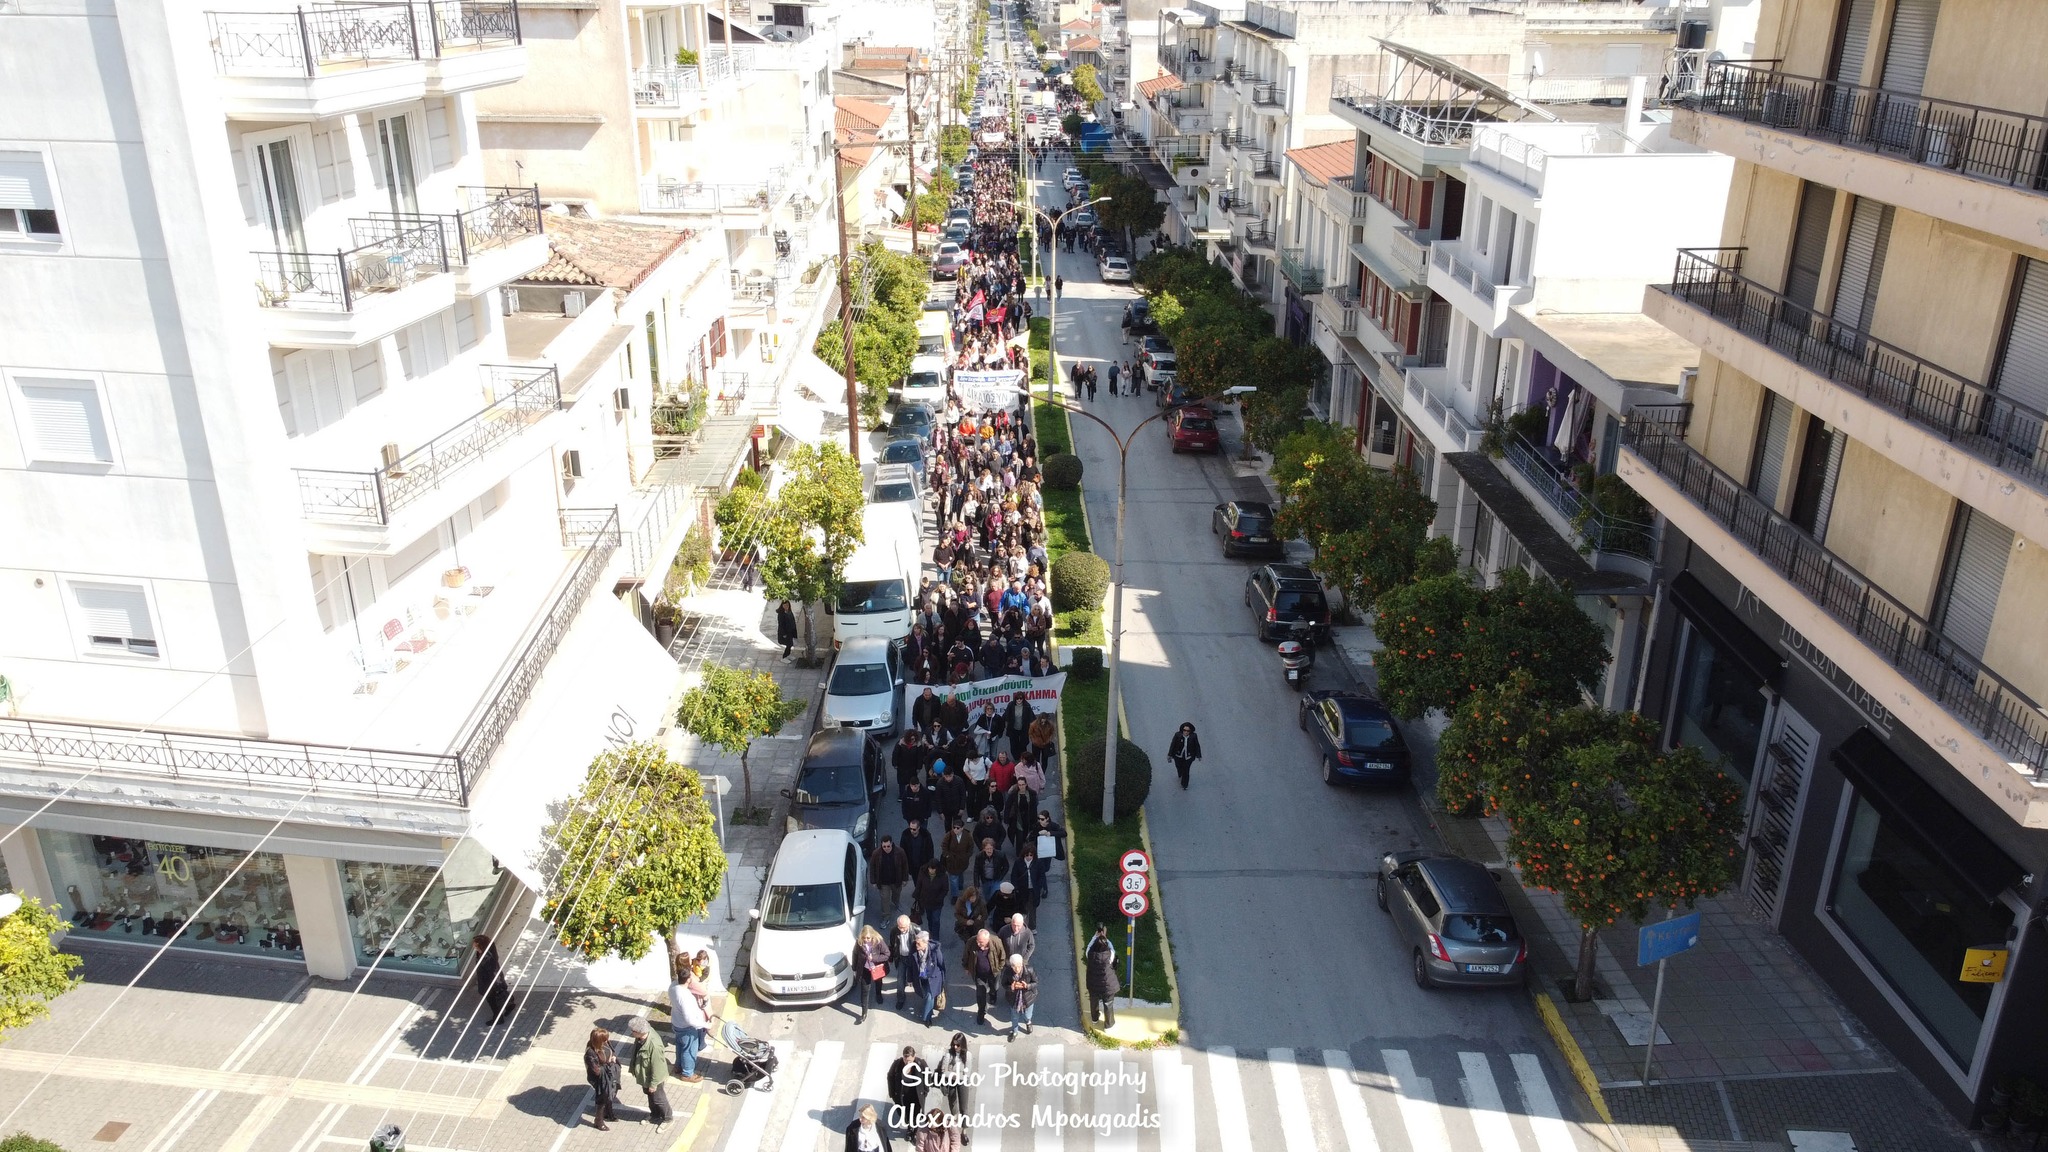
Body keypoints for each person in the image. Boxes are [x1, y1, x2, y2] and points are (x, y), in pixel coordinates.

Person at [667, 956, 709, 1082]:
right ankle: (687, 1073)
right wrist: (706, 1025)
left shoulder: (673, 987)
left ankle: (678, 1067)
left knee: (680, 1047)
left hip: (677, 1023)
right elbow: (690, 1019)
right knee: (689, 1050)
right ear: (689, 980)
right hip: (687, 1028)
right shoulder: (685, 996)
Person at [627, 1017, 672, 1131]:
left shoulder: (654, 1045)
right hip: (645, 1075)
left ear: (640, 1032)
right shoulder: (641, 1038)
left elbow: (657, 1067)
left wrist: (653, 1084)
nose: (631, 1033)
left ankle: (668, 1118)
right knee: (650, 1096)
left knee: (658, 1099)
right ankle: (655, 1115)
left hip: (653, 1078)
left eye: (633, 1031)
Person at [934, 1032, 976, 1145]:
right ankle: (955, 1118)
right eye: (954, 1044)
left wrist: (958, 1076)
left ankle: (964, 1131)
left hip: (962, 1081)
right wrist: (952, 1075)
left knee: (964, 1108)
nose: (955, 1047)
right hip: (951, 1080)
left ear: (963, 1045)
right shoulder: (948, 1054)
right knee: (952, 1103)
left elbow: (967, 1073)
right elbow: (944, 1070)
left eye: (958, 1045)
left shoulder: (968, 1055)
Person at [962, 927, 1007, 1027]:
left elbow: (1002, 956)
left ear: (988, 940)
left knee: (994, 987)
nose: (979, 944)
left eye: (981, 942)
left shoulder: (996, 942)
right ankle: (981, 1012)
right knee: (980, 994)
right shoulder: (971, 942)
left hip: (993, 972)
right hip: (979, 974)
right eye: (978, 941)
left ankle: (993, 995)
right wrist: (966, 967)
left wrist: (998, 969)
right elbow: (966, 955)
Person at [467, 934, 513, 1025]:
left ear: (479, 945)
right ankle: (509, 1005)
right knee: (501, 996)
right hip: (491, 982)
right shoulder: (485, 951)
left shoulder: (487, 958)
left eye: (475, 943)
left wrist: (495, 986)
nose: (473, 945)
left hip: (489, 984)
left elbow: (492, 972)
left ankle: (498, 1019)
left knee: (493, 1002)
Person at [583, 1027, 622, 1131]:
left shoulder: (605, 1043)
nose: (607, 1041)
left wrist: (613, 1059)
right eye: (605, 1039)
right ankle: (598, 1121)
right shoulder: (590, 1053)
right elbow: (596, 1071)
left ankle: (608, 1113)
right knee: (603, 1097)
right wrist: (609, 1063)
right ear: (599, 1041)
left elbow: (611, 1052)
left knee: (610, 1093)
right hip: (600, 1078)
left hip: (609, 1073)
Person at [853, 923, 892, 1022]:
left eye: (868, 938)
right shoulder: (859, 943)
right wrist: (854, 968)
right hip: (865, 968)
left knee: (878, 982)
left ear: (872, 936)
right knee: (864, 990)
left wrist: (874, 958)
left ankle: (878, 994)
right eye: (864, 938)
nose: (866, 940)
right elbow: (855, 954)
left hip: (876, 968)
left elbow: (887, 954)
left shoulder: (878, 942)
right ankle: (864, 1013)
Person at [1085, 925, 1120, 1028]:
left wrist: (1095, 936)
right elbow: (1112, 947)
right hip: (1107, 985)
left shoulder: (1089, 954)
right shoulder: (1110, 955)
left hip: (1093, 983)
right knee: (1108, 1003)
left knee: (1093, 1000)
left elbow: (1089, 946)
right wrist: (1104, 937)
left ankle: (1094, 1019)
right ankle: (1108, 1025)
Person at [887, 1044, 929, 1127]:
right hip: (902, 1096)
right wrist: (892, 1093)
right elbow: (890, 1077)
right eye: (905, 1060)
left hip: (916, 1095)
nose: (907, 1063)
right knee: (904, 1114)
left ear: (914, 1057)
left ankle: (913, 1128)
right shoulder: (897, 1064)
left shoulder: (921, 1064)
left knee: (916, 1114)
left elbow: (928, 1076)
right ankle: (909, 1125)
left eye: (910, 1061)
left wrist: (925, 1090)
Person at [870, 836, 910, 923]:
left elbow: (905, 865)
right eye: (884, 846)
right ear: (881, 845)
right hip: (883, 882)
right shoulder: (876, 853)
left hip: (896, 880)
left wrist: (905, 879)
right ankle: (886, 916)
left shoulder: (900, 852)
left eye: (888, 846)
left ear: (891, 844)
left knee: (896, 894)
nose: (886, 848)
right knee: (885, 899)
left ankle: (896, 902)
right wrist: (873, 881)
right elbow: (872, 867)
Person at [912, 931, 948, 1025]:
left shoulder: (935, 950)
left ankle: (927, 1018)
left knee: (929, 996)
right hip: (922, 975)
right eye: (916, 942)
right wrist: (910, 979)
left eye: (919, 943)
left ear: (925, 943)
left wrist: (942, 979)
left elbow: (941, 964)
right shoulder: (914, 949)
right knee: (925, 994)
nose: (916, 945)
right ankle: (929, 1009)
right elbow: (911, 965)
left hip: (933, 977)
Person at [1002, 953, 1038, 1041]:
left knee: (1027, 1014)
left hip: (1027, 998)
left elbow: (1036, 982)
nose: (1017, 969)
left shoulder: (1029, 970)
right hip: (1014, 998)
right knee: (1014, 1016)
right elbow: (1004, 984)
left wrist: (1027, 986)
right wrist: (1011, 987)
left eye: (1019, 966)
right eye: (1014, 967)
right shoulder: (1007, 972)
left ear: (1022, 964)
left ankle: (1028, 1022)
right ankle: (1015, 1031)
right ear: (1011, 966)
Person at [913, 861, 951, 939]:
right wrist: (916, 896)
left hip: (937, 903)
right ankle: (931, 930)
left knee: (936, 919)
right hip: (926, 901)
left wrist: (939, 898)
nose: (931, 870)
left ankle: (935, 938)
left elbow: (945, 889)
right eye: (930, 868)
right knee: (929, 917)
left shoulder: (943, 876)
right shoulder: (923, 873)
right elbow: (919, 884)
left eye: (933, 869)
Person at [1168, 721, 1202, 789]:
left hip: (1188, 757)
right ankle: (1180, 773)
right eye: (1184, 730)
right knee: (1179, 766)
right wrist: (1170, 754)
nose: (1186, 732)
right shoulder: (1177, 735)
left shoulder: (1193, 736)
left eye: (1188, 731)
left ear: (1190, 731)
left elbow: (1197, 745)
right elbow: (1173, 745)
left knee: (1186, 770)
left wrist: (1199, 755)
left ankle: (1184, 784)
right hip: (1178, 756)